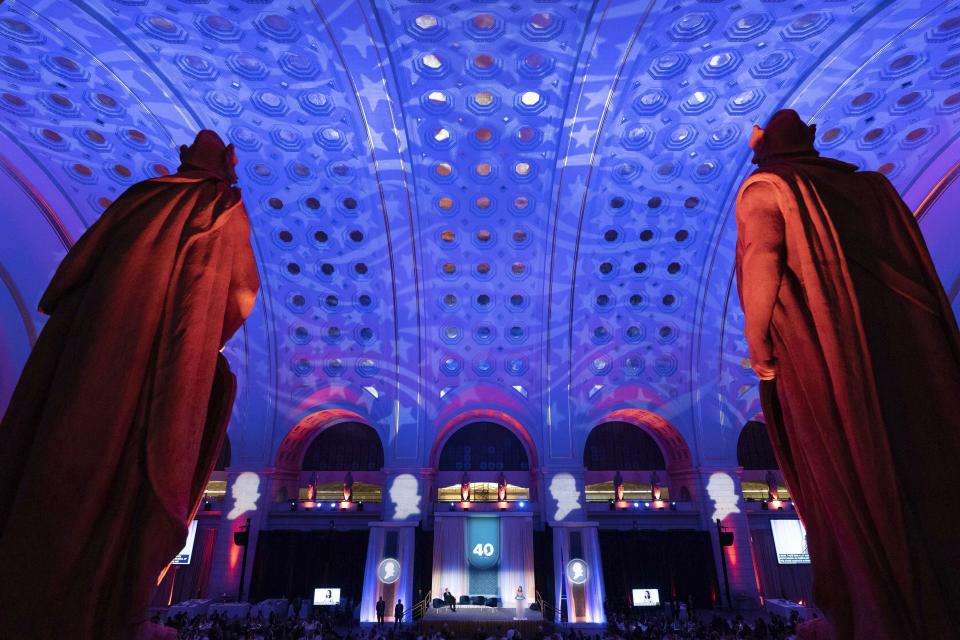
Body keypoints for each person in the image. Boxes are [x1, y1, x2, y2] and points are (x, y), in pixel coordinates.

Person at [0, 130, 259, 639]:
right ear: (228, 163)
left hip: (88, 357)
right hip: (157, 366)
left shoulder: (139, 198)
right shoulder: (219, 206)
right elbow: (237, 293)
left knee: (59, 458)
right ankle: (106, 608)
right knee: (128, 468)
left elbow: (70, 277)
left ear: (185, 158)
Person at [735, 108, 960, 639]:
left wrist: (757, 336)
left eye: (757, 132)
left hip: (825, 356)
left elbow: (764, 255)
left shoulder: (765, 186)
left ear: (766, 141)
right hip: (900, 361)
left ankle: (874, 606)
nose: (750, 137)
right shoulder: (870, 190)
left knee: (845, 467)